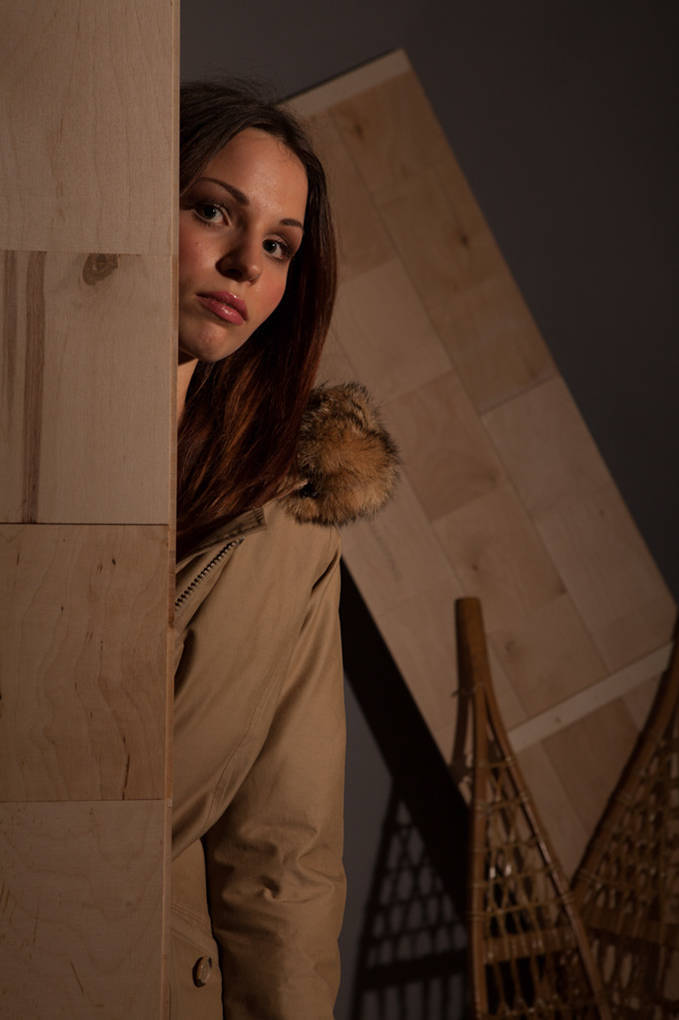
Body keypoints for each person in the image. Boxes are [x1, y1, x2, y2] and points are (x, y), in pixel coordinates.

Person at [171, 81, 398, 1019]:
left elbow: (282, 853)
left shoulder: (288, 523)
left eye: (277, 246)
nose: (243, 264)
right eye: (211, 210)